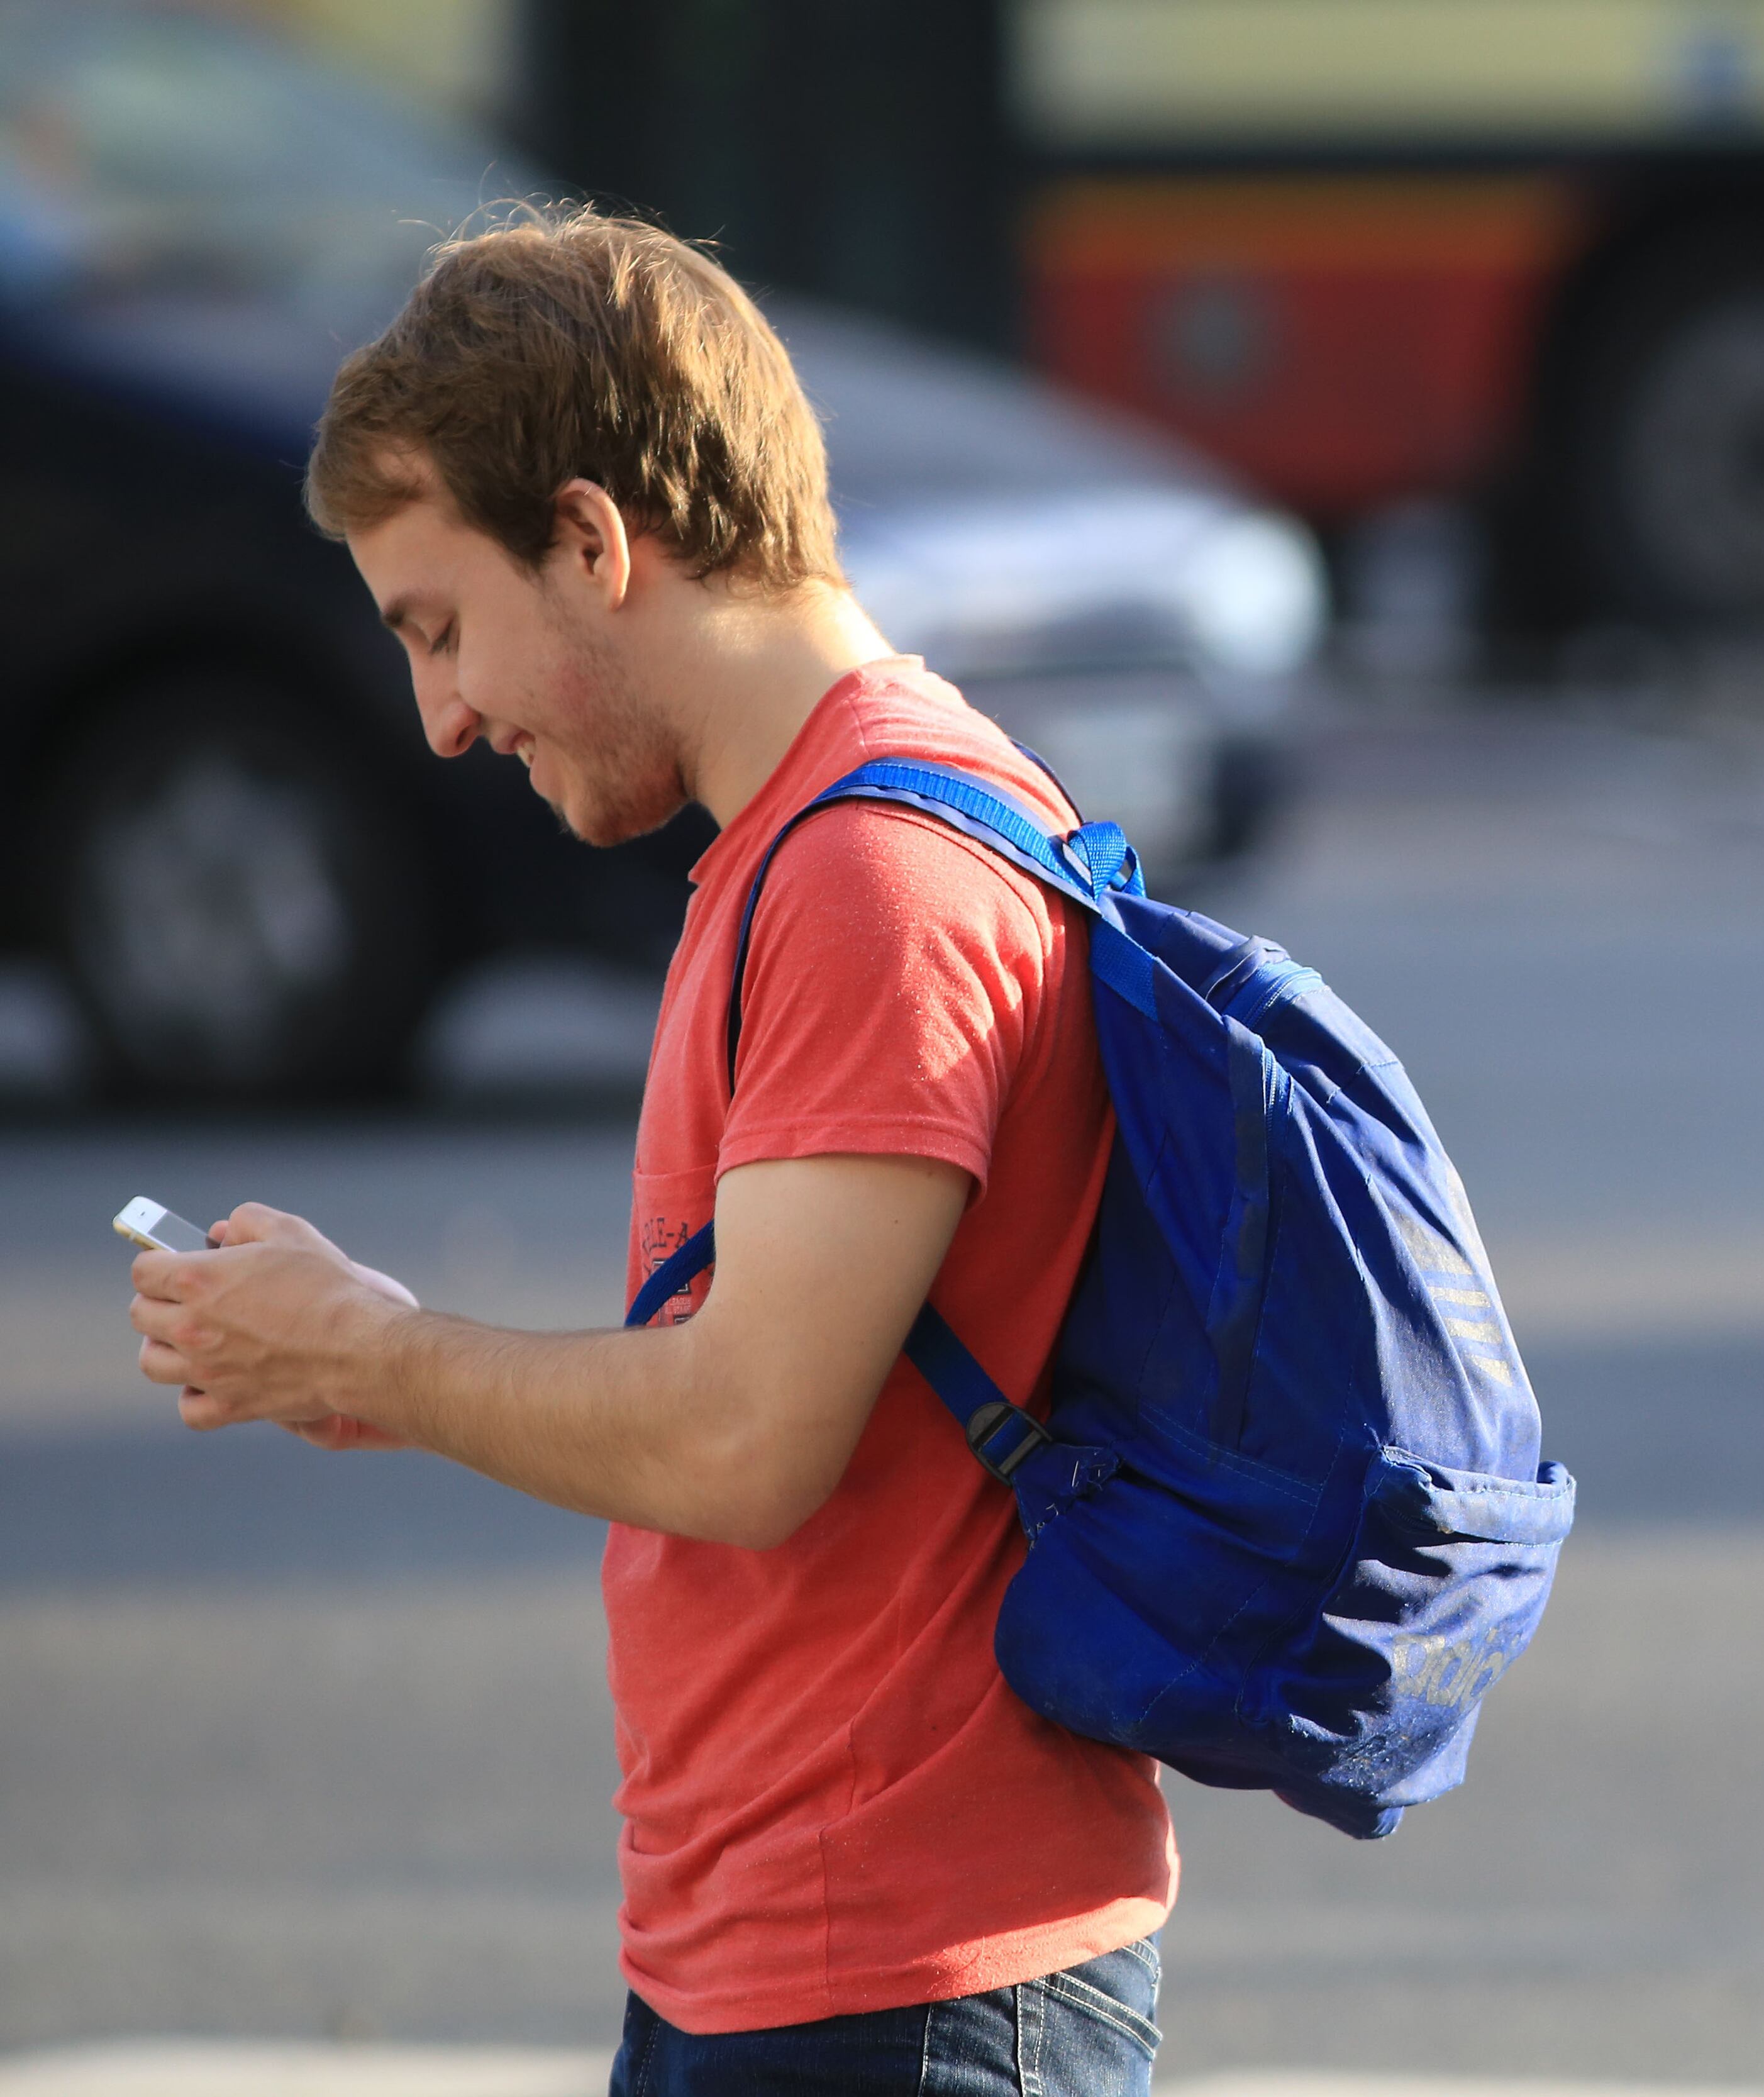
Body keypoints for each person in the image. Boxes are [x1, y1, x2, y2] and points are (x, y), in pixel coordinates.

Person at [124, 208, 1172, 2094]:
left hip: (899, 1979)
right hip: (790, 1955)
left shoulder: (871, 874)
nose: (440, 718)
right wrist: (383, 1355)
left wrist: (370, 1354)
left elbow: (744, 1438)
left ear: (595, 543)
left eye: (443, 628)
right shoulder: (804, 839)